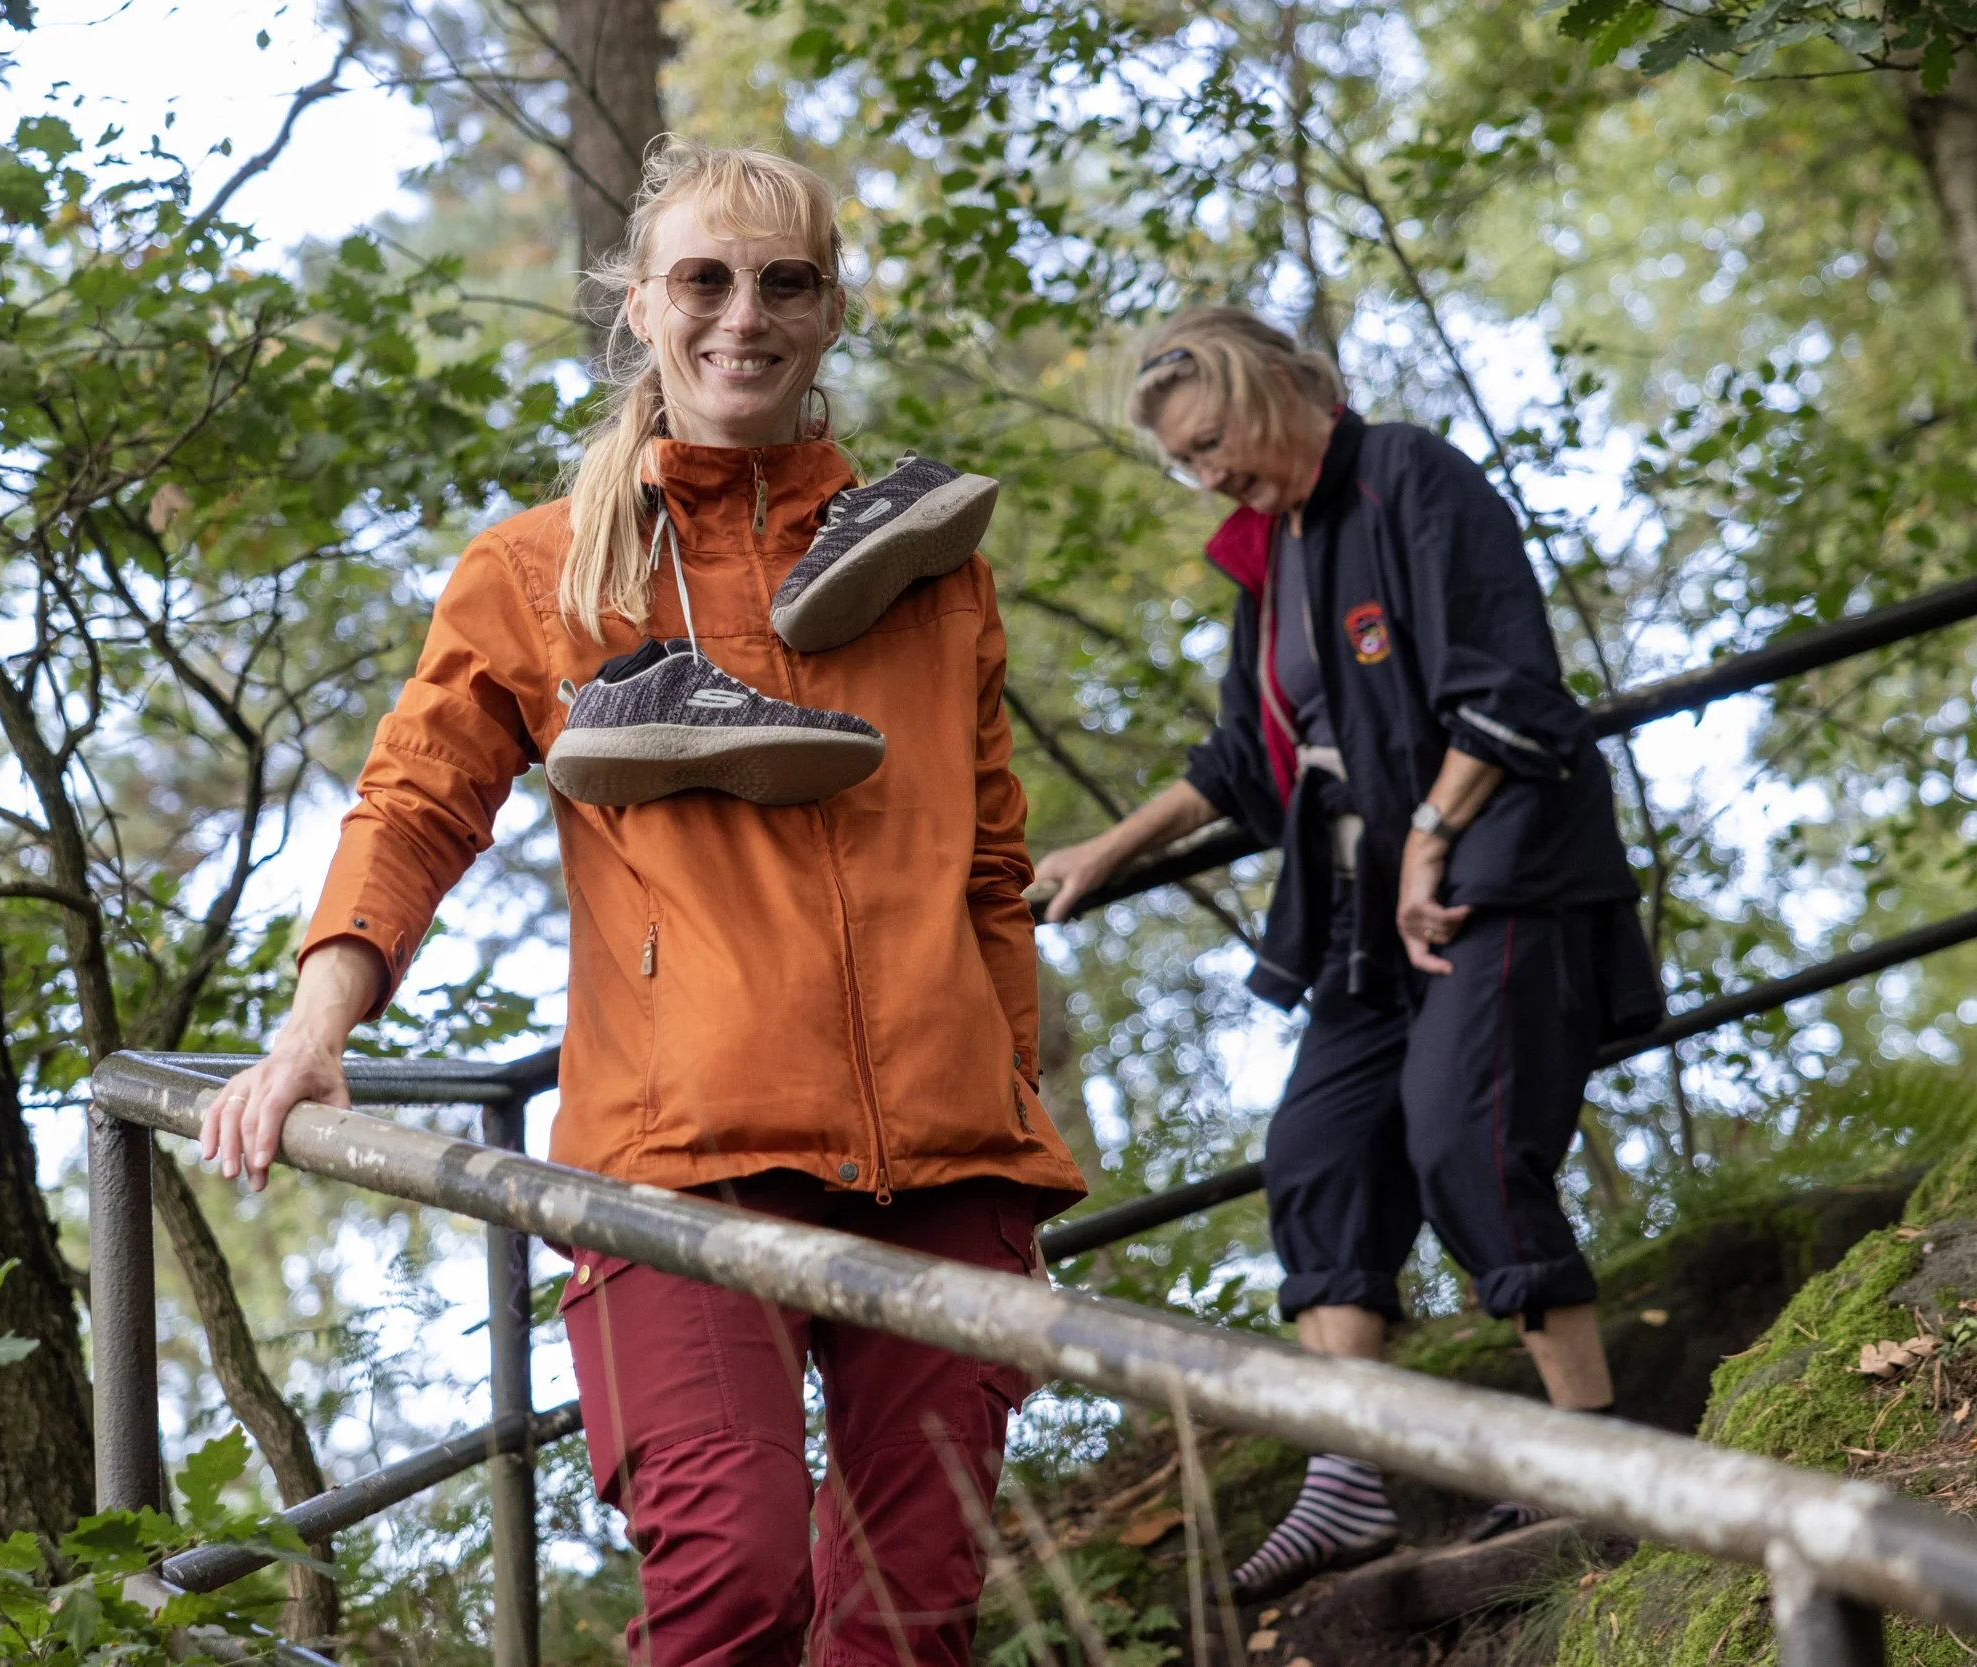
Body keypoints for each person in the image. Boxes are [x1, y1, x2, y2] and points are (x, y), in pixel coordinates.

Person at [199, 140, 1084, 1666]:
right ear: (636, 305)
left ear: (831, 314)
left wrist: (1017, 1143)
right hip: (679, 1169)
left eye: (785, 282)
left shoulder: (931, 572)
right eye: (705, 280)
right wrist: (313, 1024)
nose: (745, 315)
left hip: (950, 1166)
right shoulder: (541, 570)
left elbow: (989, 868)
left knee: (906, 1623)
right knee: (735, 1575)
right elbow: (414, 802)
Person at [1035, 308, 1659, 1603]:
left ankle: (1598, 1456)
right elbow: (1237, 763)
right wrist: (1107, 849)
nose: (1208, 476)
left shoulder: (1414, 477)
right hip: (1367, 913)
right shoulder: (1275, 564)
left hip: (1502, 867)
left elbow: (1510, 685)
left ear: (1278, 390)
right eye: (1185, 464)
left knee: (1461, 1134)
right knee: (1318, 1150)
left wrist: (1435, 832)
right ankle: (1351, 1473)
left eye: (1213, 444)